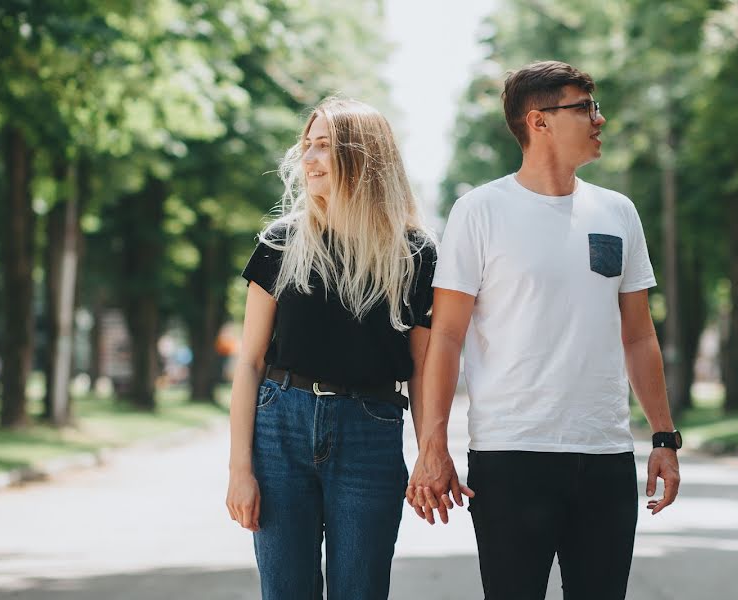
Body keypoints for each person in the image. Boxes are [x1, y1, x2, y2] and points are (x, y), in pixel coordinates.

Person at [407, 61, 682, 600]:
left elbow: (639, 337)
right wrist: (432, 444)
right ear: (539, 122)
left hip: (604, 453)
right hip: (512, 455)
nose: (599, 120)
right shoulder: (479, 211)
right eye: (585, 108)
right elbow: (446, 337)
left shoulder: (617, 212)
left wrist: (664, 437)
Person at [225, 97, 437, 600]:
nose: (311, 158)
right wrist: (240, 468)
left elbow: (425, 371)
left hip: (372, 431)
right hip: (280, 429)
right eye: (308, 146)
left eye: (326, 146)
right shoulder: (281, 242)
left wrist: (431, 453)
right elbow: (250, 362)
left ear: (363, 157)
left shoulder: (415, 253)